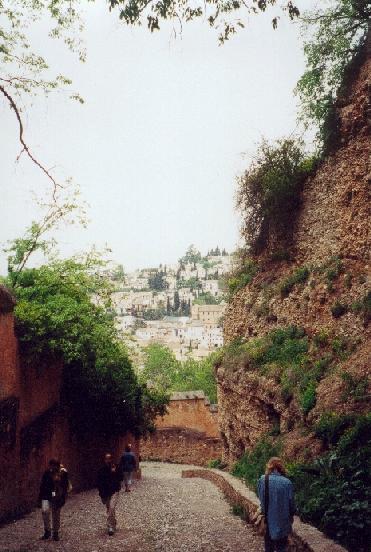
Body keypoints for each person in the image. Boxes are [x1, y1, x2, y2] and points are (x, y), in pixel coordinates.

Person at [257, 457, 296, 552]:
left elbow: (261, 499)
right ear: (281, 468)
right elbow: (292, 505)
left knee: (268, 546)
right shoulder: (287, 483)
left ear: (269, 467)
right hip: (283, 521)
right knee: (282, 547)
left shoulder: (263, 480)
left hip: (268, 521)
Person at [38, 458, 70, 541]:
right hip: (46, 495)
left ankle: (55, 533)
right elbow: (42, 485)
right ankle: (47, 531)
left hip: (57, 497)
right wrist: (40, 497)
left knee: (56, 514)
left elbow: (65, 485)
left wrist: (62, 496)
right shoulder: (47, 473)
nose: (52, 467)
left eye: (54, 465)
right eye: (51, 465)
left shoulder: (62, 473)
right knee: (45, 512)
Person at [96, 453, 122, 536]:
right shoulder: (101, 470)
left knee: (111, 507)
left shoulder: (116, 468)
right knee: (109, 509)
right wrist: (101, 494)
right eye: (106, 459)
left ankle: (110, 526)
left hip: (114, 491)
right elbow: (99, 482)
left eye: (109, 459)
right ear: (104, 460)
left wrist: (114, 472)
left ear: (112, 459)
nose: (108, 461)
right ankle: (113, 523)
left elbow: (121, 478)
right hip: (106, 492)